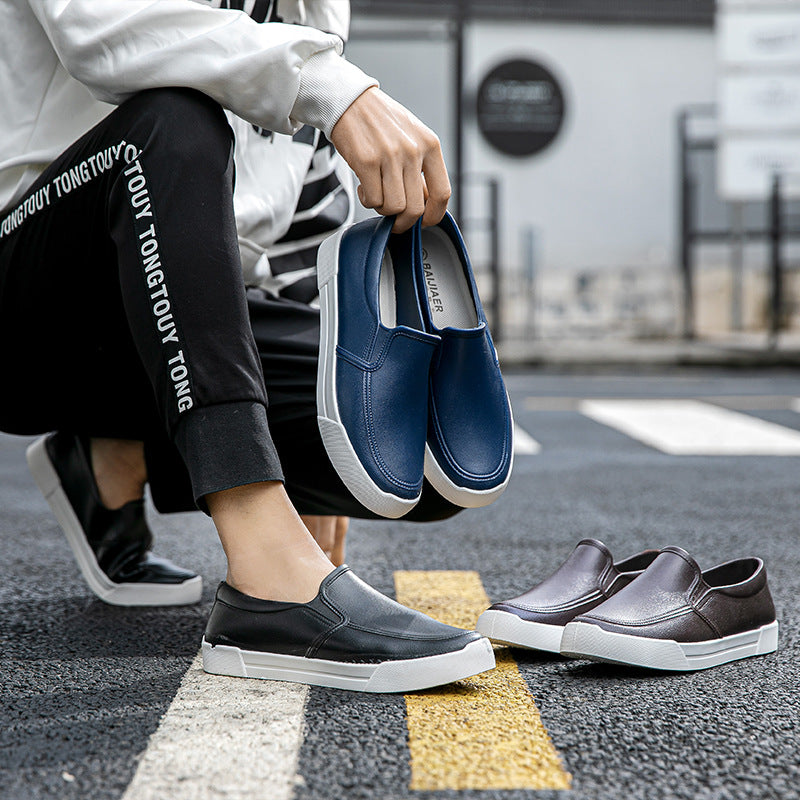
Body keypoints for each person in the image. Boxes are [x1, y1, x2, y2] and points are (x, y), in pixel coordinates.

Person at [0, 0, 495, 692]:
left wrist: (329, 418)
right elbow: (99, 31)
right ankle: (267, 585)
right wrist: (333, 86)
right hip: (36, 305)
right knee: (173, 121)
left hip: (187, 315)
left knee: (415, 438)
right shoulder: (310, 71)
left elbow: (300, 220)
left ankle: (112, 453)